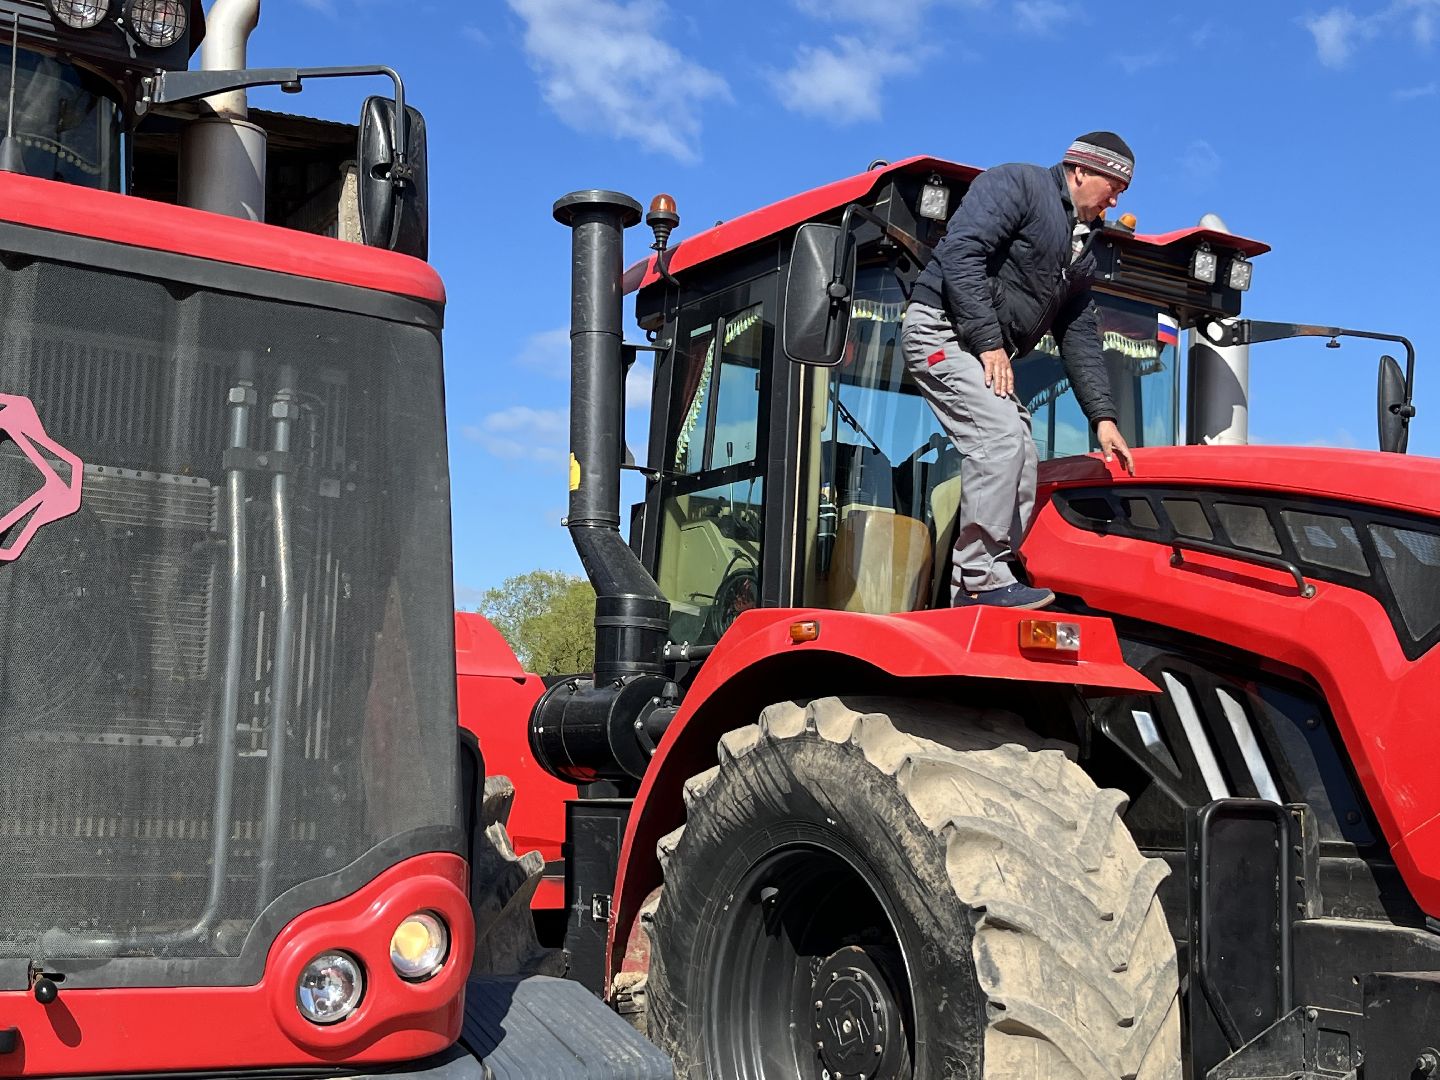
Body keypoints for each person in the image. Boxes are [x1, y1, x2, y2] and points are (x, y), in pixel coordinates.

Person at [900, 131, 1137, 610]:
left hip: (977, 344)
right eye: (1113, 184)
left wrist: (1103, 417)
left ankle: (997, 571)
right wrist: (990, 343)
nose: (1116, 199)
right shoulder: (1018, 184)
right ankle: (975, 581)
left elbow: (1079, 334)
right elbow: (961, 252)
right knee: (1000, 437)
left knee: (1024, 452)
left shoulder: (1082, 250)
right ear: (1081, 170)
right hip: (940, 328)